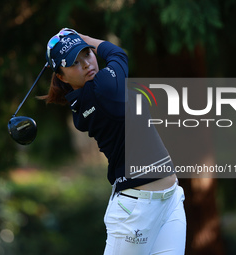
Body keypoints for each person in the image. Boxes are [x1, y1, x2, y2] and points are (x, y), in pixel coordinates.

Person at [39, 28, 186, 255]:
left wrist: (78, 42)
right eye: (75, 63)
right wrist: (86, 39)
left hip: (170, 200)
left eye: (86, 54)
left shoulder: (86, 99)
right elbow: (118, 54)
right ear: (62, 76)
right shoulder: (103, 87)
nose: (87, 64)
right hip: (136, 209)